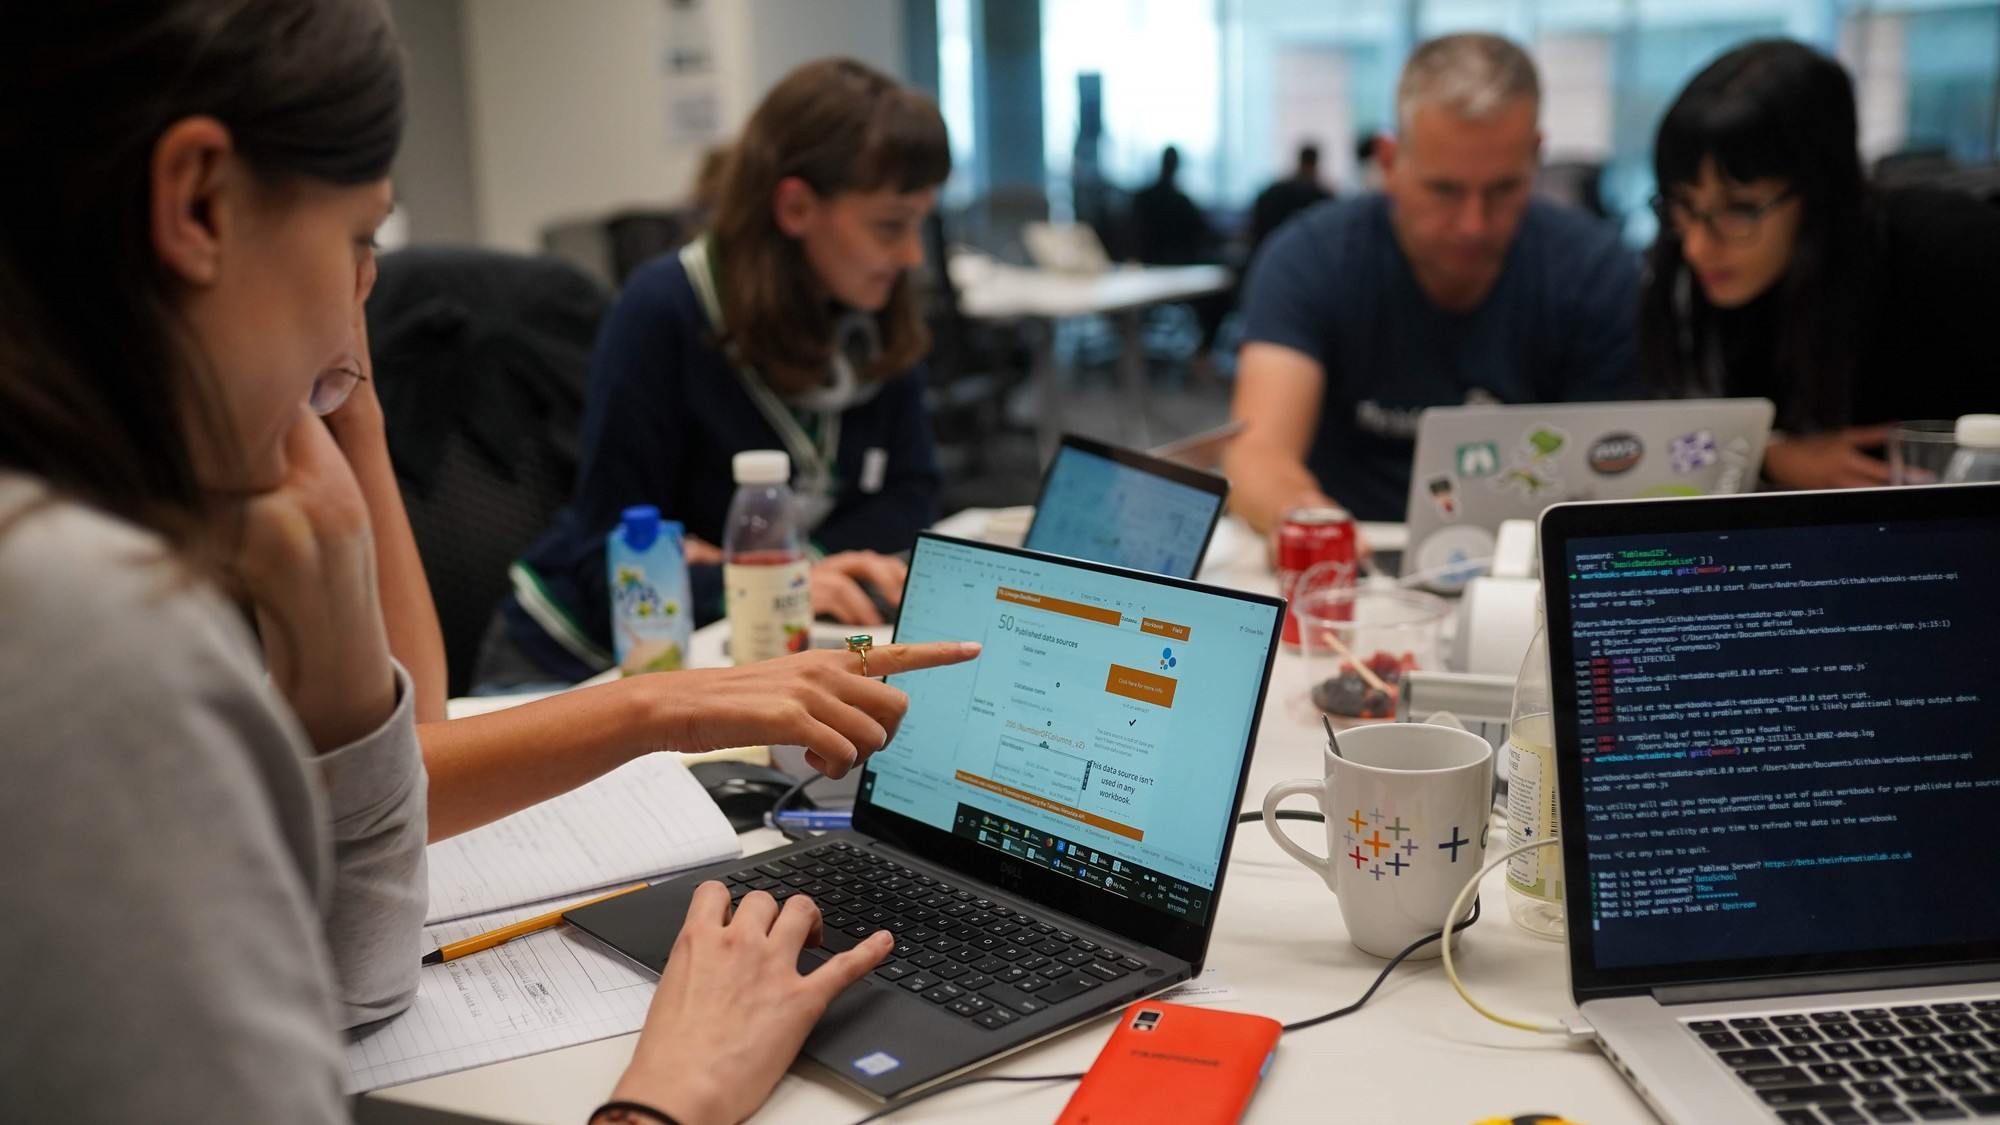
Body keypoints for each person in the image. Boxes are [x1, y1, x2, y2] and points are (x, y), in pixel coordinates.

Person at [0, 5, 978, 1121]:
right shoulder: (79, 625)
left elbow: (358, 979)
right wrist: (667, 1098)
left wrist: (337, 556)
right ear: (199, 203)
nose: (365, 292)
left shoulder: (120, 538)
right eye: (360, 237)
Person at [490, 58, 950, 686]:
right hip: (581, 661)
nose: (912, 255)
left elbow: (911, 490)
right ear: (795, 207)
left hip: (760, 644)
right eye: (890, 226)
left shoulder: (874, 306)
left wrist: (789, 570)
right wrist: (784, 579)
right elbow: (617, 556)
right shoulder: (663, 312)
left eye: (919, 224)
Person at [1226, 34, 1642, 528]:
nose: (1473, 224)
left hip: (1528, 568)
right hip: (1350, 562)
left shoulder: (1594, 270)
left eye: (1503, 189)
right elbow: (1256, 454)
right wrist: (1304, 518)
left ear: (1536, 155)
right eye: (1444, 190)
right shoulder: (1311, 258)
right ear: (1388, 161)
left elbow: (1617, 475)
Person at [1641, 39, 2000, 490]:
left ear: (1820, 194)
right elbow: (1658, 435)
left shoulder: (1954, 255)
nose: (1697, 245)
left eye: (1740, 208)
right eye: (1683, 206)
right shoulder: (1690, 276)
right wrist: (1768, 455)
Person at [1248, 142, 1334, 261]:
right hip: (1305, 260)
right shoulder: (1321, 197)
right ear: (1315, 164)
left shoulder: (1273, 191)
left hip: (1266, 257)